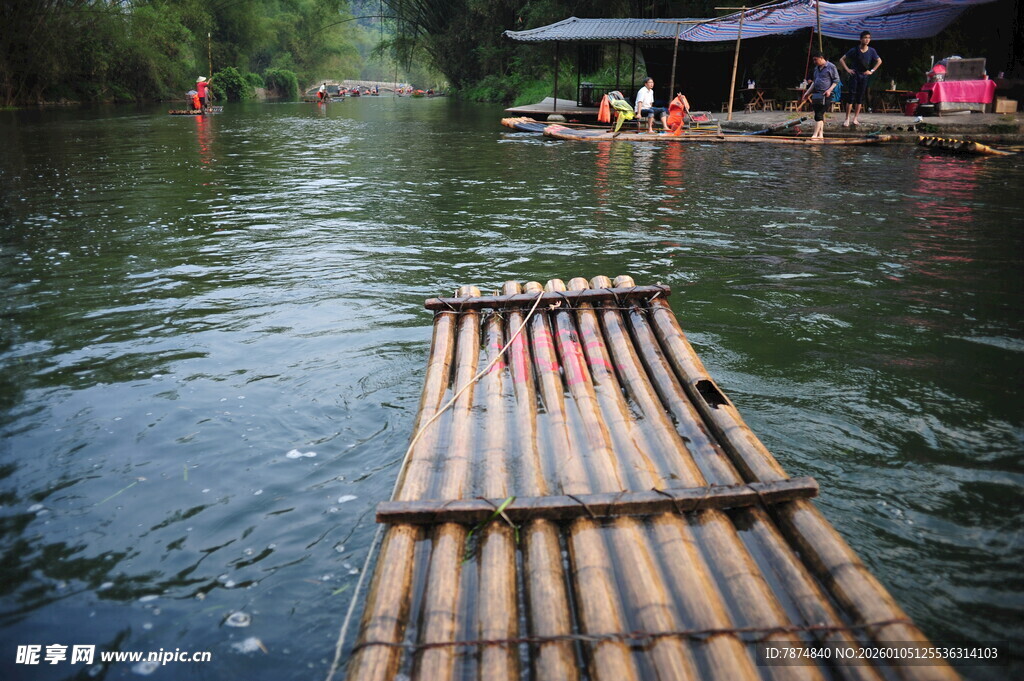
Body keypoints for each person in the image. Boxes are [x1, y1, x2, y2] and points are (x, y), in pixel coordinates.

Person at [839, 31, 882, 127]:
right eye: (865, 37)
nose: (867, 39)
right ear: (860, 39)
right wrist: (847, 69)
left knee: (860, 97)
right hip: (854, 75)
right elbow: (841, 59)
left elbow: (879, 61)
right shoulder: (854, 50)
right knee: (851, 97)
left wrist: (872, 71)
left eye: (869, 38)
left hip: (864, 76)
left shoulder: (872, 51)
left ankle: (855, 118)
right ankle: (847, 118)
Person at [800, 51, 840, 140]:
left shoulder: (831, 66)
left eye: (816, 59)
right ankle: (820, 134)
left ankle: (814, 134)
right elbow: (814, 83)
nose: (814, 62)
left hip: (826, 94)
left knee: (819, 114)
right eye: (813, 60)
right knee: (819, 114)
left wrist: (829, 90)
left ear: (821, 58)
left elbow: (836, 80)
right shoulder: (816, 69)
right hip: (817, 94)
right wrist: (807, 93)